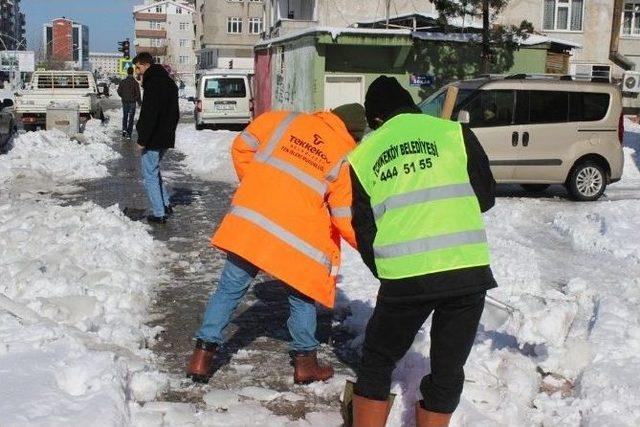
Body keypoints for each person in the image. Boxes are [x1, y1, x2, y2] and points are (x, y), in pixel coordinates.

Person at [346, 76, 497, 427]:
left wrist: (384, 269)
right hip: (466, 270)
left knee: (378, 360)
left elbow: (364, 228)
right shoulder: (453, 134)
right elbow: (485, 197)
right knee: (447, 367)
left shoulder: (364, 153)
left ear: (377, 119)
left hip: (405, 278)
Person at [186, 104, 367, 385]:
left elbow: (242, 146)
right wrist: (370, 247)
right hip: (296, 238)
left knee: (229, 289)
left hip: (253, 222)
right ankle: (305, 364)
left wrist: (258, 185)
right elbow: (344, 215)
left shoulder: (285, 120)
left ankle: (201, 357)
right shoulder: (342, 156)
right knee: (301, 297)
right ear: (352, 134)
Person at [133, 52, 179, 224]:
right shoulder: (169, 82)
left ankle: (159, 213)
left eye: (137, 67)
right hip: (165, 136)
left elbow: (149, 115)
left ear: (145, 64)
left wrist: (142, 139)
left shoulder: (153, 83)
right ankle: (165, 204)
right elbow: (174, 113)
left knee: (149, 174)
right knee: (154, 170)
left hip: (153, 138)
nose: (137, 71)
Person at [117, 66, 141, 139]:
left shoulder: (123, 82)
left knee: (125, 116)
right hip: (132, 103)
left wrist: (123, 97)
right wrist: (139, 102)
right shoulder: (135, 83)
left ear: (127, 73)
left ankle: (124, 131)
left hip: (125, 102)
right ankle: (129, 134)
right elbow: (138, 94)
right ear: (132, 72)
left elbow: (119, 91)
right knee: (131, 118)